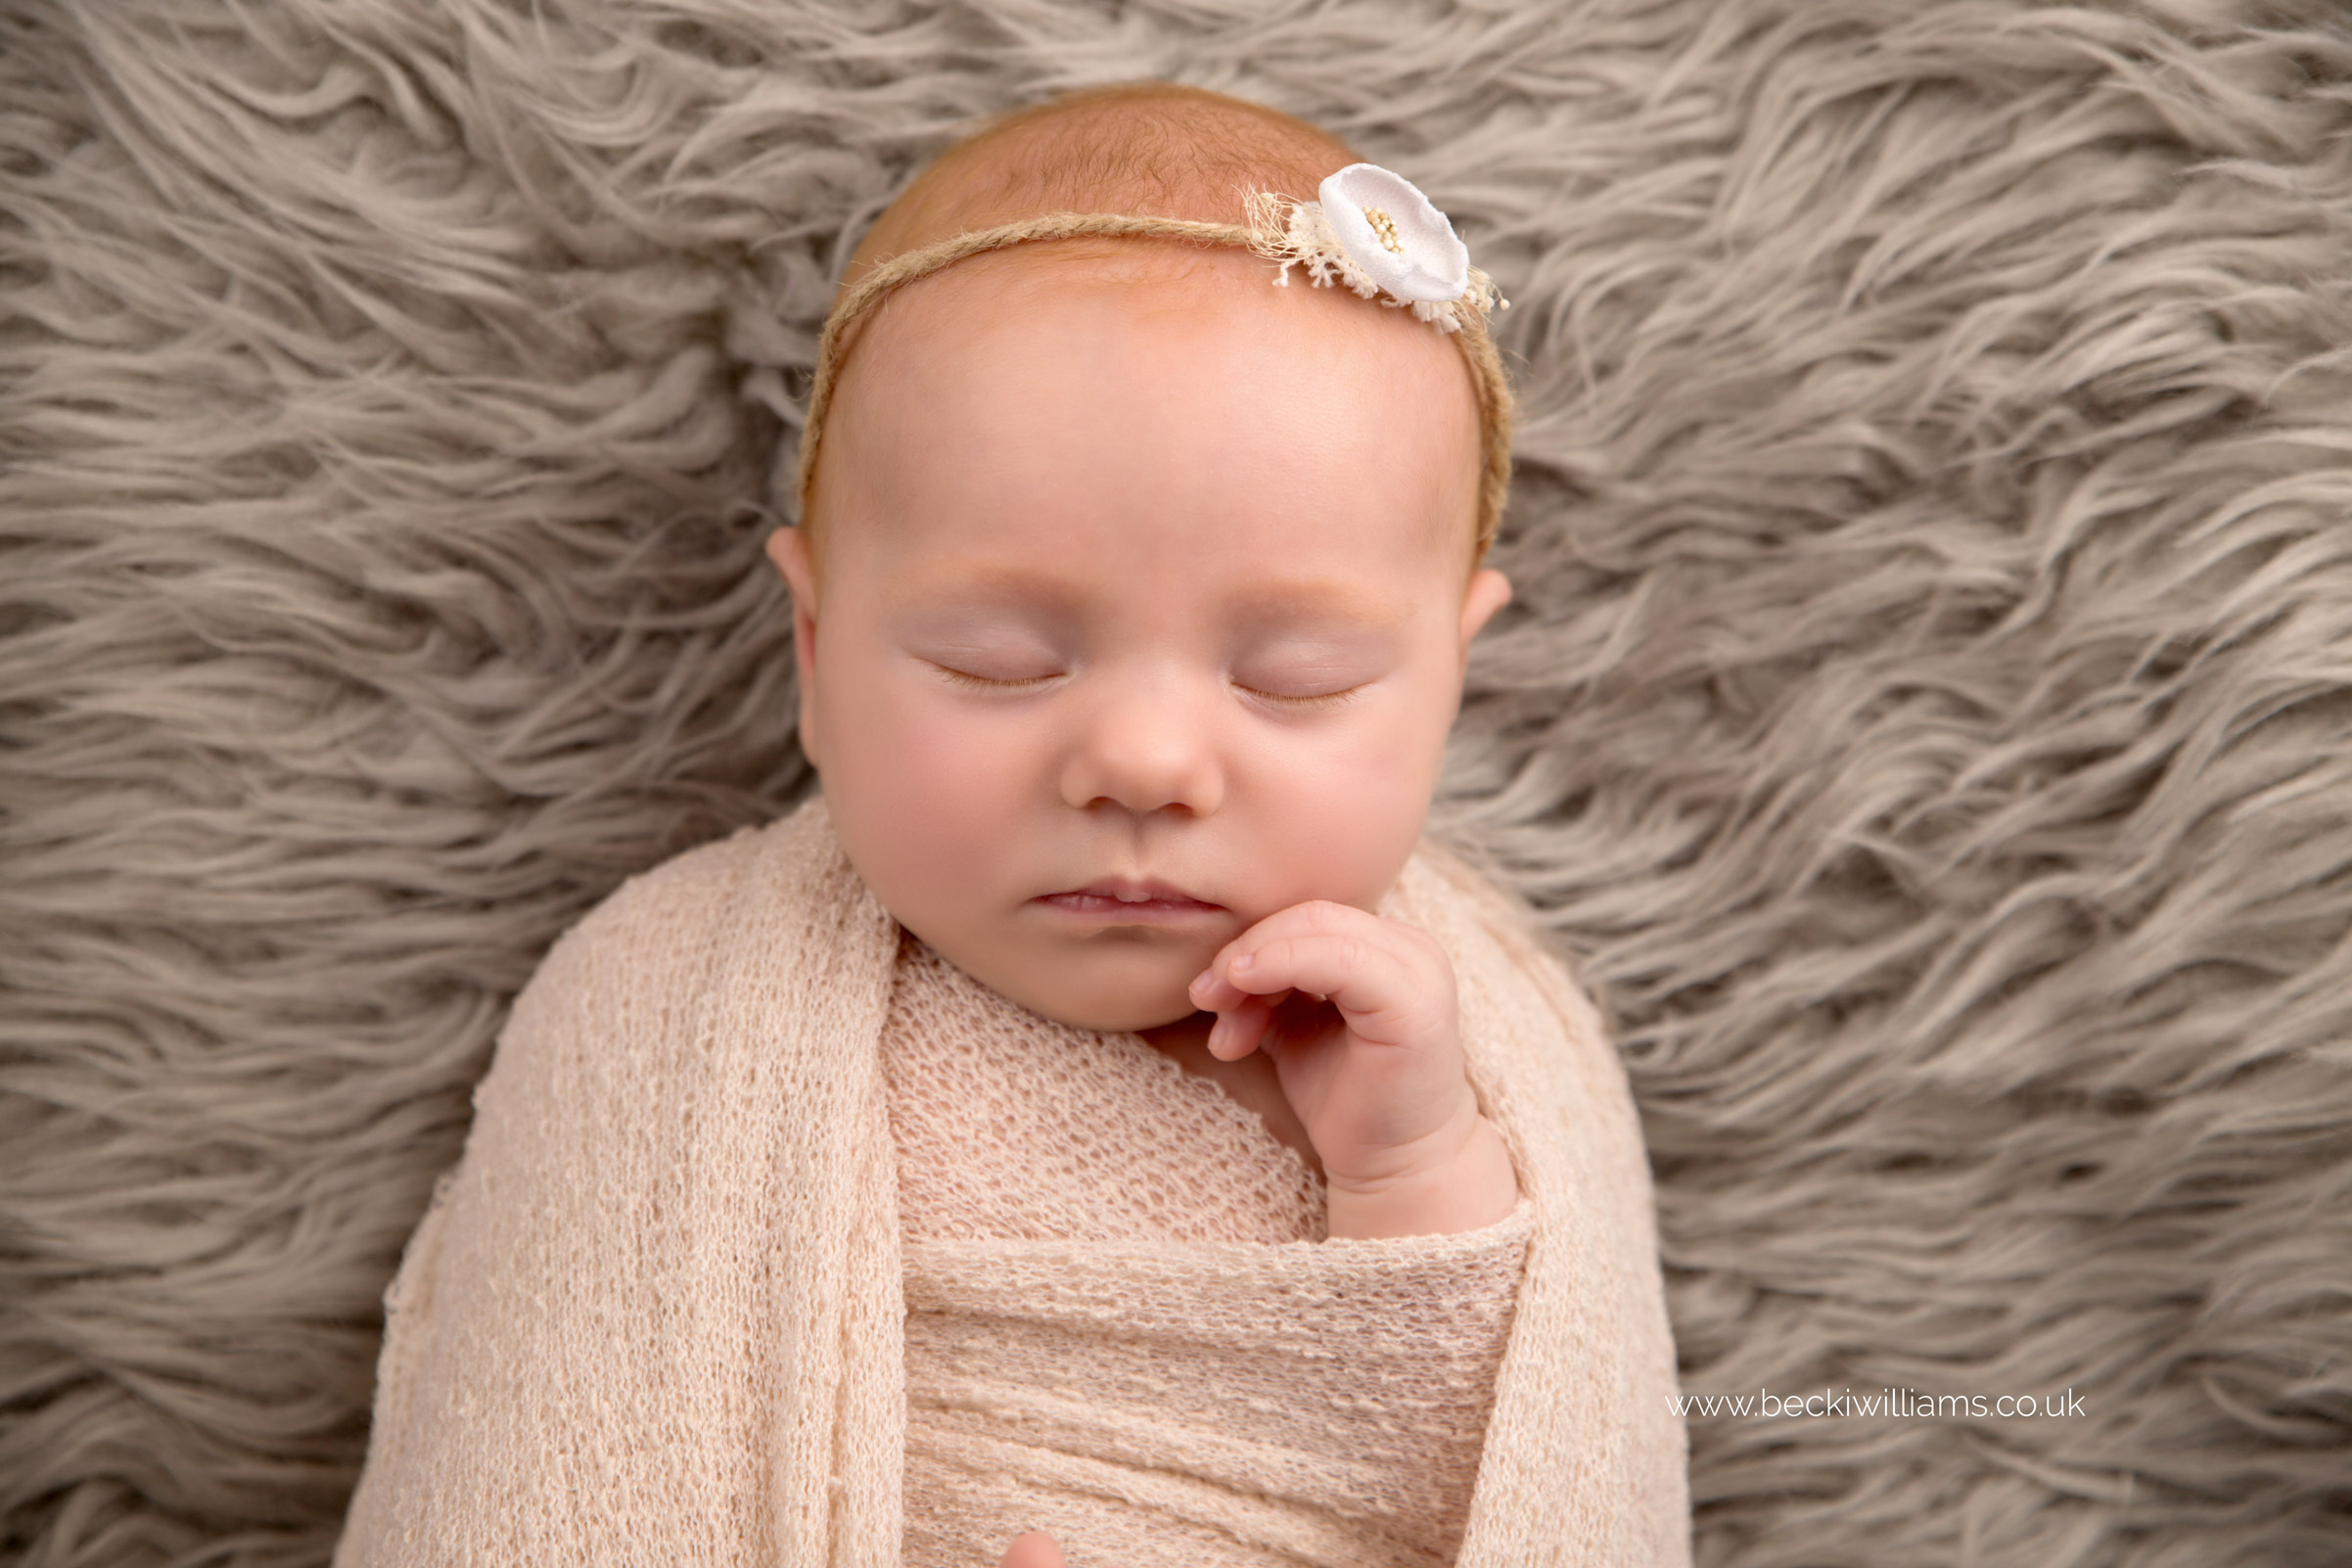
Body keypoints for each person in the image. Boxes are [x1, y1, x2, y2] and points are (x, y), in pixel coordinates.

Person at [333, 79, 1690, 1568]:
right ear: (812, 647)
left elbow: (1535, 1472)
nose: (1143, 760)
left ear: (1448, 675)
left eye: (1295, 677)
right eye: (1000, 662)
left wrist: (1416, 1171)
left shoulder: (1483, 1044)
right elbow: (539, 1485)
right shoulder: (658, 1010)